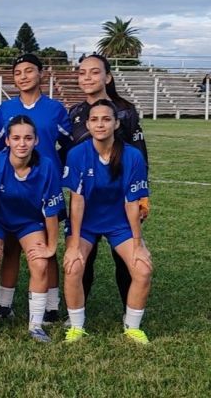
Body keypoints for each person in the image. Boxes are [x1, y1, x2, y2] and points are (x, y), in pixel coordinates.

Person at [0, 53, 72, 323]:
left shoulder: (55, 109)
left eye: (29, 70)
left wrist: (56, 167)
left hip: (45, 188)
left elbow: (70, 142)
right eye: (18, 72)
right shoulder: (6, 110)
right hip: (12, 190)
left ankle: (51, 306)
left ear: (41, 74)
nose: (23, 76)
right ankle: (4, 305)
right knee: (12, 246)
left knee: (47, 246)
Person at [62, 99, 152, 344]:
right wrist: (73, 245)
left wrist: (138, 243)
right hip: (86, 223)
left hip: (119, 222)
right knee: (73, 266)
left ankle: (132, 327)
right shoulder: (77, 154)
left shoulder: (132, 156)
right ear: (88, 125)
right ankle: (76, 326)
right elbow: (77, 202)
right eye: (94, 119)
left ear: (116, 123)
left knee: (143, 269)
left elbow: (132, 203)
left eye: (106, 119)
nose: (100, 124)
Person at [0, 115, 62, 342]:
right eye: (16, 138)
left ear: (36, 141)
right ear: (7, 141)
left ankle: (36, 326)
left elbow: (51, 211)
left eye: (28, 138)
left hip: (28, 222)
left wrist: (51, 247)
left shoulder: (46, 166)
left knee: (40, 263)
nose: (22, 143)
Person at [67, 54, 149, 312]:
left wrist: (142, 197)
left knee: (125, 259)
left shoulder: (125, 111)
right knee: (83, 258)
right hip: (87, 200)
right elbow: (69, 152)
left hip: (120, 202)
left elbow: (139, 154)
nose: (87, 78)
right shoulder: (75, 112)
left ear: (108, 77)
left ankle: (129, 311)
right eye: (82, 73)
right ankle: (76, 314)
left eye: (94, 72)